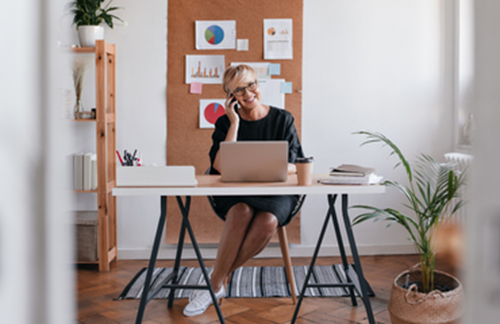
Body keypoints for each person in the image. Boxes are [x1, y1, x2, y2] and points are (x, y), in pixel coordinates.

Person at [183, 64, 304, 317]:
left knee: (268, 220)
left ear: (258, 84)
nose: (249, 93)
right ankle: (216, 284)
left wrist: (269, 167)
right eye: (239, 90)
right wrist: (234, 122)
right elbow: (220, 165)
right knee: (240, 212)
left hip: (276, 191)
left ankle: (214, 282)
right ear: (230, 96)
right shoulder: (224, 122)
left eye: (252, 85)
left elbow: (295, 165)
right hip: (235, 192)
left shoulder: (283, 119)